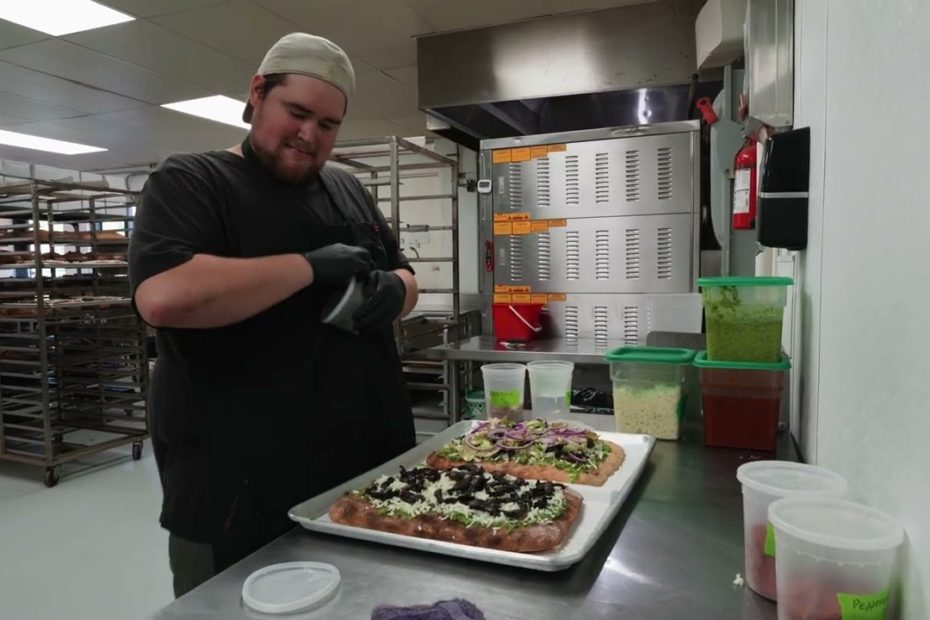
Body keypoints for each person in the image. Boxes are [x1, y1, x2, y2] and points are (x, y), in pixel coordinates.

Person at [128, 32, 418, 598]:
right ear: (258, 92)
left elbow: (406, 275)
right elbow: (163, 296)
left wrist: (396, 289)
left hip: (364, 478)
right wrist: (307, 268)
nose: (310, 136)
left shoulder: (347, 189)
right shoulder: (192, 182)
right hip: (239, 495)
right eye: (298, 113)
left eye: (328, 125)